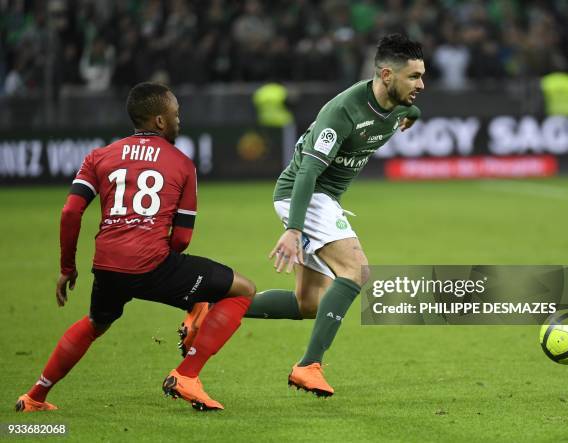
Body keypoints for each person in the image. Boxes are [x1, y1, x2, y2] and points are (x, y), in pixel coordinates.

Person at [179, 34, 425, 397]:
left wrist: (412, 116)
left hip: (323, 199)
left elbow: (411, 110)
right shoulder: (342, 112)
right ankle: (309, 366)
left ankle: (210, 309)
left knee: (308, 304)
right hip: (306, 194)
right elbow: (308, 174)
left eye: (422, 76)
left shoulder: (401, 104)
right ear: (387, 75)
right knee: (356, 270)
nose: (421, 85)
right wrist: (294, 230)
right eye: (414, 77)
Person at [16, 82, 255, 413]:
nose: (179, 121)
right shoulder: (182, 163)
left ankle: (34, 396)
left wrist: (67, 269)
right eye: (175, 114)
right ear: (159, 121)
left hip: (107, 264)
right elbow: (182, 239)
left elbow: (71, 211)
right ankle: (187, 374)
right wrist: (163, 261)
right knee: (242, 289)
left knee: (95, 323)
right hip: (150, 263)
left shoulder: (99, 156)